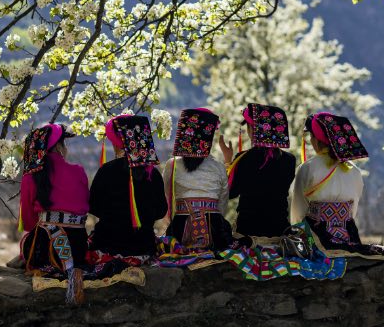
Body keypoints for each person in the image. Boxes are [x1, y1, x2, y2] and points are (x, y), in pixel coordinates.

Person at [291, 112, 384, 255]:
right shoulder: (355, 171)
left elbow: (298, 210)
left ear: (316, 139)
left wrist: (296, 233)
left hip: (316, 240)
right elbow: (352, 211)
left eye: (311, 137)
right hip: (349, 237)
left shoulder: (307, 168)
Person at [18, 123, 89, 302]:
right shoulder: (79, 172)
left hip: (45, 248)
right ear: (59, 146)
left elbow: (27, 222)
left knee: (29, 243)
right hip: (79, 248)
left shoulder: (30, 177)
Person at [89, 114, 167, 258]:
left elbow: (93, 206)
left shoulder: (106, 170)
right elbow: (161, 210)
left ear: (119, 142)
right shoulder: (153, 173)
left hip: (107, 246)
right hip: (143, 247)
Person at [218, 103, 296, 237]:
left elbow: (230, 193)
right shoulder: (289, 160)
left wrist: (228, 161)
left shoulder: (243, 159)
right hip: (279, 231)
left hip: (248, 232)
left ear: (253, 130)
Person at [163, 108, 233, 251]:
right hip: (214, 231)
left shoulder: (173, 164)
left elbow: (167, 196)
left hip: (180, 229)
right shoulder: (219, 167)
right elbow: (222, 205)